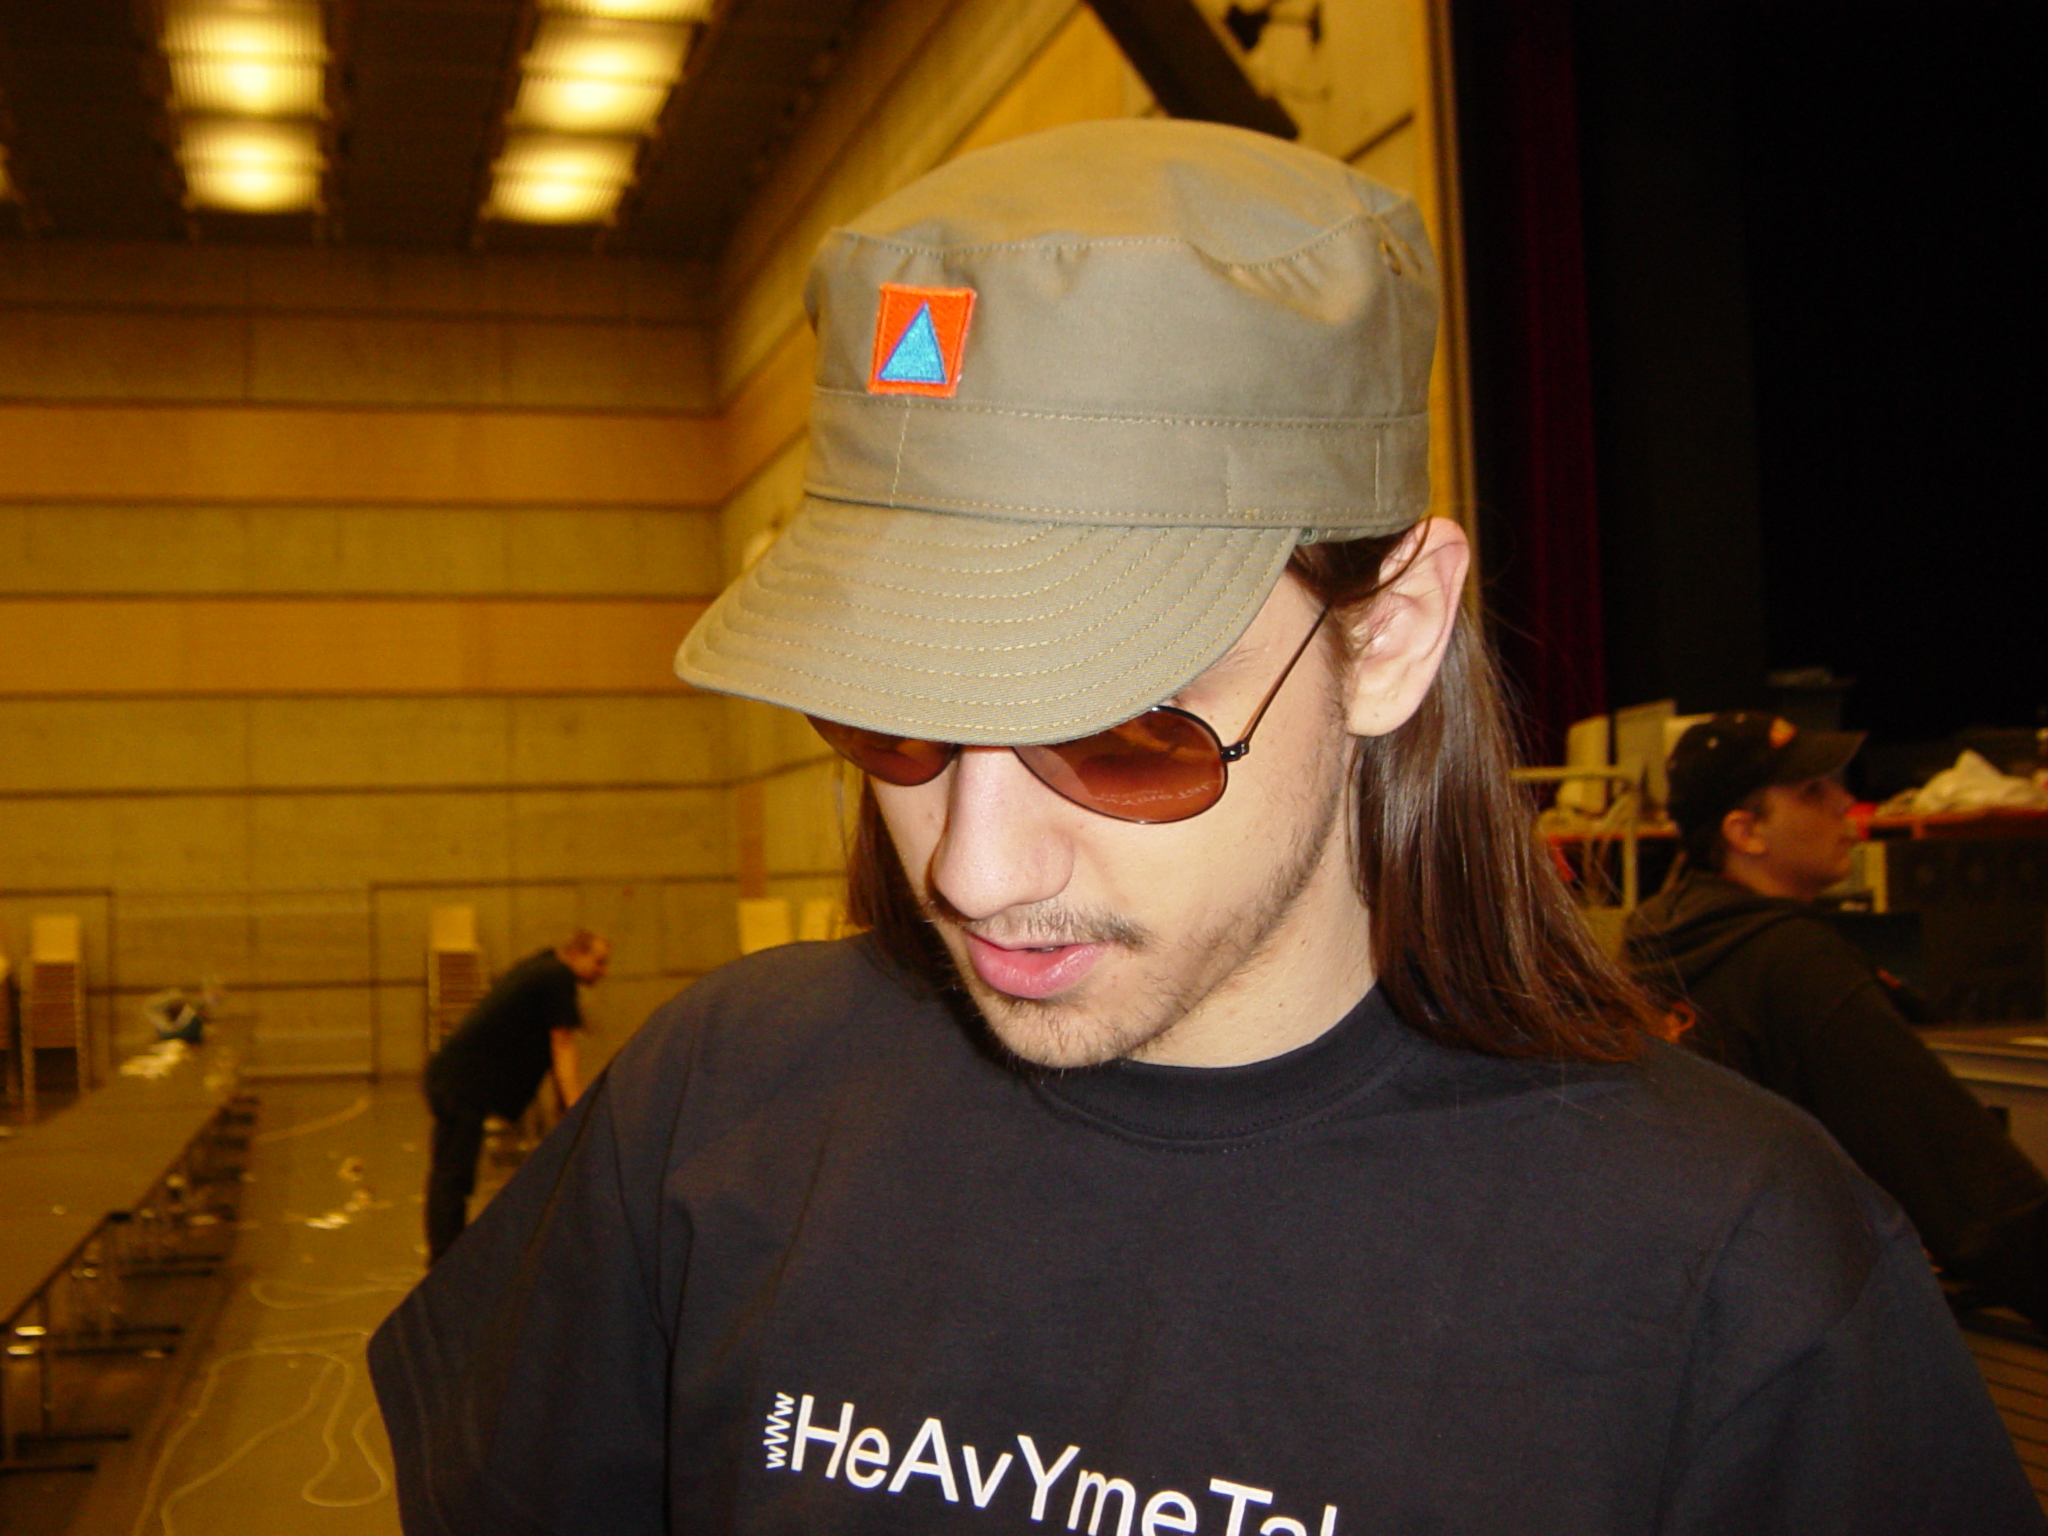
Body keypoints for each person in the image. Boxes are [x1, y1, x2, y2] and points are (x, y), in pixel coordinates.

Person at [370, 123, 2041, 1533]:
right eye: (891, 719)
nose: (970, 866)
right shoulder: (722, 1101)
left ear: (1388, 633)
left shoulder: (1728, 1277)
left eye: (1123, 732)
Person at [1627, 712, 2048, 1325]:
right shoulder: (1793, 962)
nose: (1844, 803)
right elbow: (1957, 1176)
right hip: (1796, 1314)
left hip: (1685, 1309)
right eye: (1811, 792)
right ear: (1745, 832)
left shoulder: (1652, 941)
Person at [420, 928, 607, 1264]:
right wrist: (577, 1107)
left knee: (452, 1175)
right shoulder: (556, 977)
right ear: (576, 954)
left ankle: (448, 1253)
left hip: (458, 1080)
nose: (603, 972)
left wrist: (563, 1103)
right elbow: (562, 1044)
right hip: (460, 1082)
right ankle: (444, 1259)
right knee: (453, 1175)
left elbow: (552, 1048)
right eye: (599, 962)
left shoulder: (544, 968)